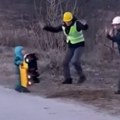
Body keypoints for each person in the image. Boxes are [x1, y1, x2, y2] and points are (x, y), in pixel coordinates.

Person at [43, 11, 88, 84]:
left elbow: (85, 28)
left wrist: (85, 25)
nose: (67, 23)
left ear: (71, 20)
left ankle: (82, 76)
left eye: (68, 21)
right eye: (66, 21)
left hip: (79, 45)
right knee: (65, 63)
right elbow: (55, 30)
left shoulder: (77, 24)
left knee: (75, 61)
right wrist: (47, 28)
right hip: (71, 46)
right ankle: (68, 79)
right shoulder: (63, 26)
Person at [105, 16, 120, 94]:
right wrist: (109, 37)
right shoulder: (118, 32)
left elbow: (118, 39)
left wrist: (110, 37)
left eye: (116, 25)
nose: (114, 27)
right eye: (114, 25)